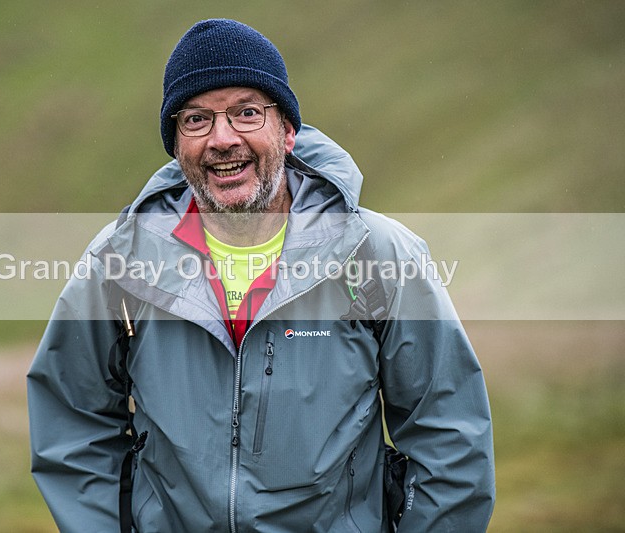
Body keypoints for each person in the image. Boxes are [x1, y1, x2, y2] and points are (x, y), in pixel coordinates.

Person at [27, 19, 495, 532]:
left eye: (248, 113)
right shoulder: (118, 260)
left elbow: (447, 433)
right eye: (196, 120)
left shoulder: (378, 254)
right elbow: (73, 425)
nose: (222, 139)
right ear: (175, 143)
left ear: (288, 131)